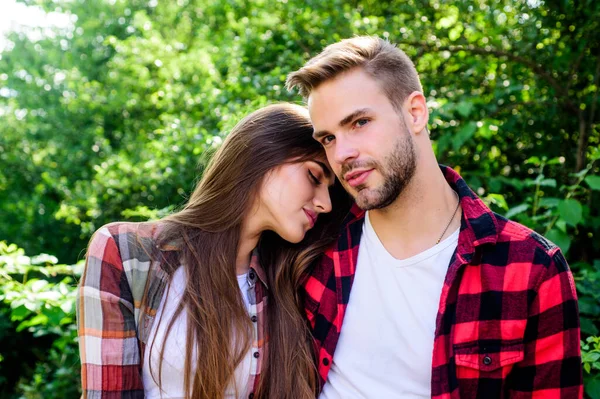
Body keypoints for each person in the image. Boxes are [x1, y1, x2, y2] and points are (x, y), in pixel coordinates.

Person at [286, 36, 583, 398]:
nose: (343, 153)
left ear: (415, 113)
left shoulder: (531, 268)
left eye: (360, 122)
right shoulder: (316, 248)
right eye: (328, 138)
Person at [76, 103, 352, 399]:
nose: (326, 204)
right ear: (263, 153)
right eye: (314, 176)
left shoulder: (287, 282)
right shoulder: (125, 252)